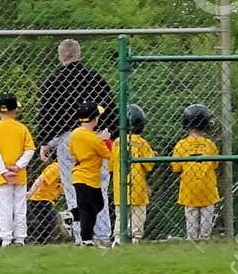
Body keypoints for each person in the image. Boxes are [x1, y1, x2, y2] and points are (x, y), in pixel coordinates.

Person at [37, 39, 114, 242]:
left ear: (61, 57)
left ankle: (83, 237)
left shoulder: (54, 82)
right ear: (79, 54)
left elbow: (47, 115)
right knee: (100, 187)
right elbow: (112, 110)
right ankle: (103, 236)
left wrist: (44, 142)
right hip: (95, 137)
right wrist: (109, 134)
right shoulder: (96, 79)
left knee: (74, 189)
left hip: (68, 139)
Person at [0, 93, 36, 247]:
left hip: (2, 177)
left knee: (5, 207)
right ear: (15, 111)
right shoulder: (21, 128)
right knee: (20, 206)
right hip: (19, 175)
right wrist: (18, 166)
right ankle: (20, 237)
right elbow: (30, 150)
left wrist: (4, 171)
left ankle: (6, 239)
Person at [170, 103, 220, 241]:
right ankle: (204, 241)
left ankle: (192, 241)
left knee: (191, 227)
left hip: (189, 191)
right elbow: (215, 165)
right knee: (206, 226)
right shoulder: (210, 145)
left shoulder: (181, 145)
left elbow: (176, 167)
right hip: (208, 191)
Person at [67, 102, 110, 245]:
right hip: (87, 177)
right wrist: (105, 139)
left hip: (82, 175)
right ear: (94, 119)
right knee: (88, 208)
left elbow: (73, 154)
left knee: (97, 204)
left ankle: (71, 215)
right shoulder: (93, 138)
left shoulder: (75, 134)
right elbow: (106, 153)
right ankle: (86, 239)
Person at [113, 103, 153, 243]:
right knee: (138, 214)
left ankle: (118, 238)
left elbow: (112, 166)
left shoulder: (117, 142)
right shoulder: (142, 143)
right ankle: (136, 238)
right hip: (138, 188)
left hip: (120, 188)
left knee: (120, 215)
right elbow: (149, 165)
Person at [26, 161, 64, 243]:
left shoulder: (66, 170)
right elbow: (40, 180)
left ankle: (41, 241)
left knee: (48, 222)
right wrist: (30, 193)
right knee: (47, 222)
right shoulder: (56, 167)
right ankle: (37, 240)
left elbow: (61, 189)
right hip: (39, 199)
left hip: (48, 199)